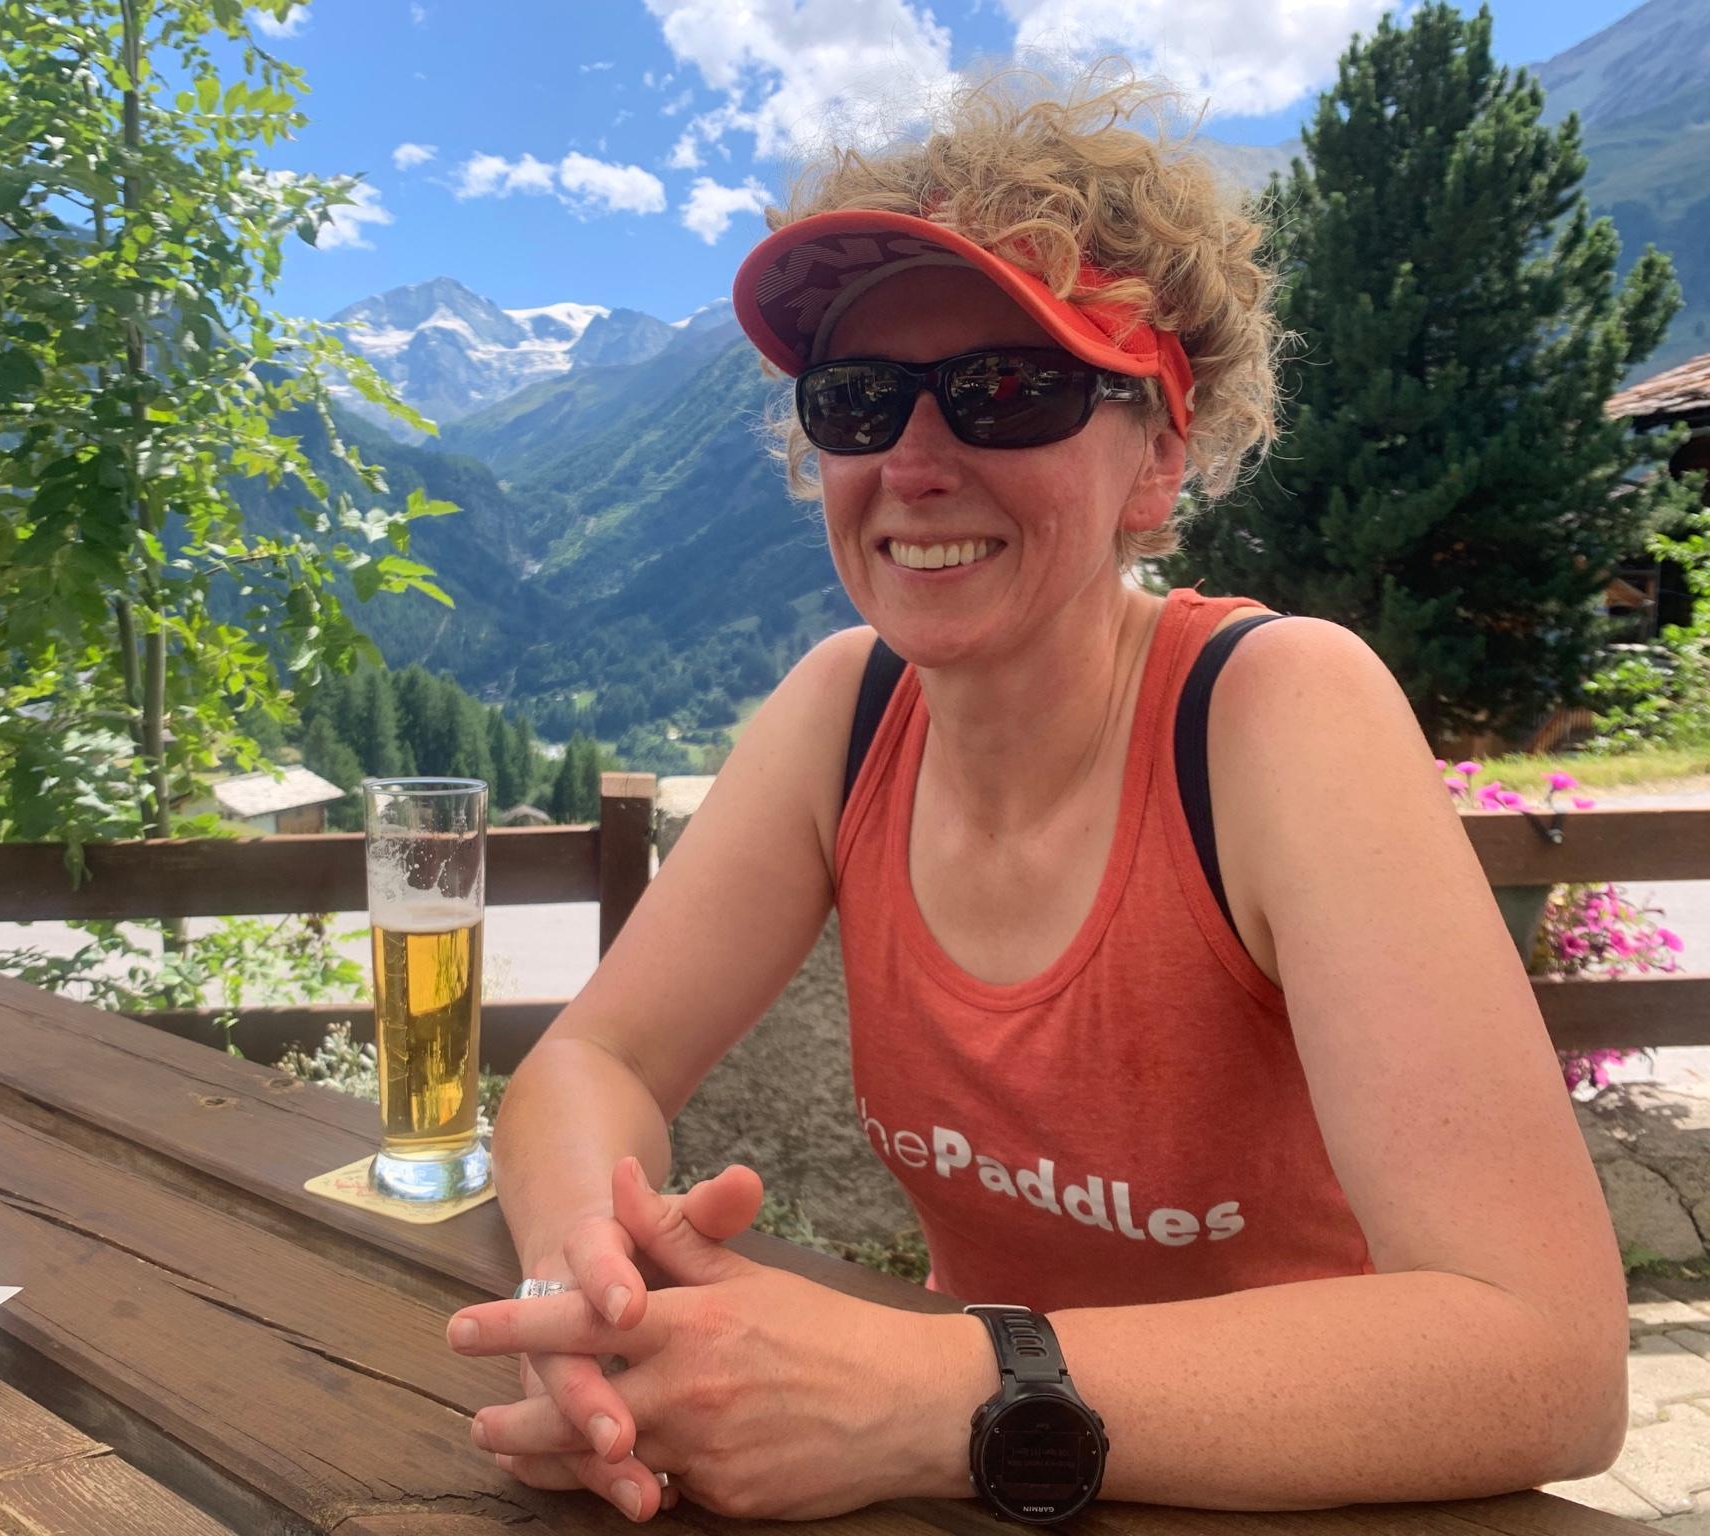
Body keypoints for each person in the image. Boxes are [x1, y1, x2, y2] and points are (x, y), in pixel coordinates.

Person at [443, 66, 1628, 1524]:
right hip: (988, 1485)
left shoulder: (1271, 715)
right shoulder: (846, 713)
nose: (913, 463)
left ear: (1160, 457)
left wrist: (918, 1390)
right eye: (859, 401)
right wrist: (588, 1292)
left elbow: (1548, 1357)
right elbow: (594, 1062)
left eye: (1009, 390)